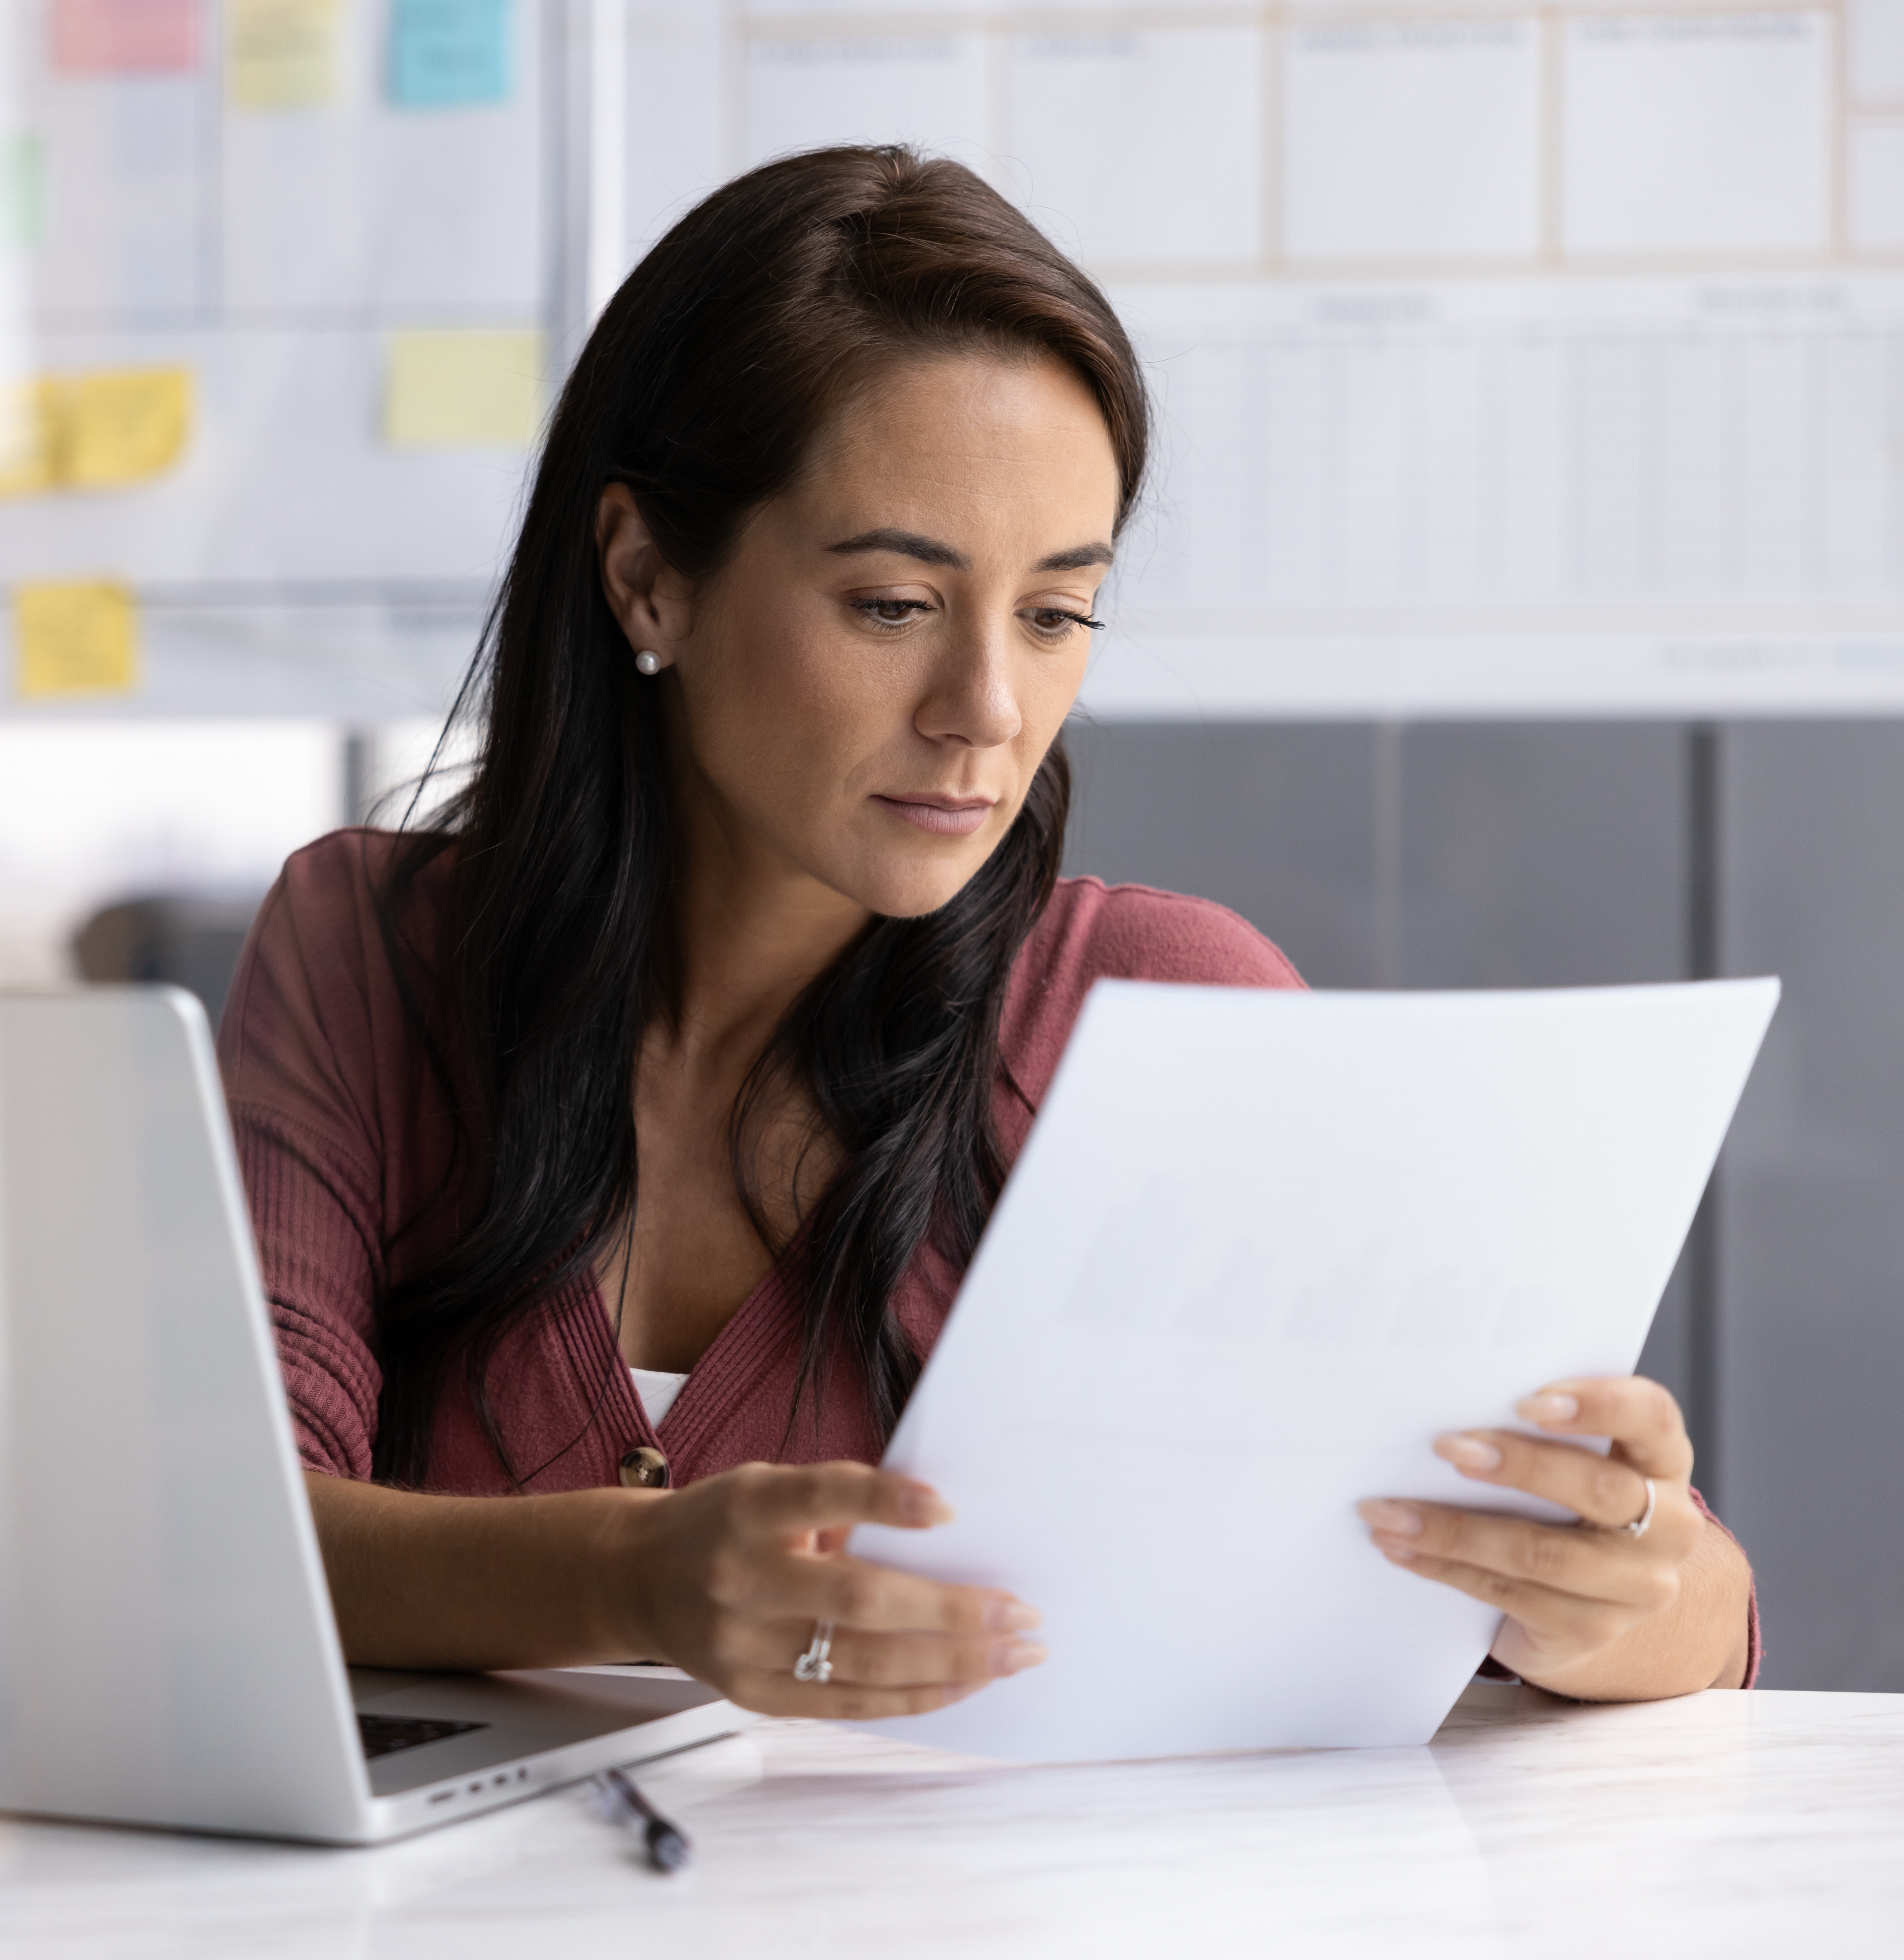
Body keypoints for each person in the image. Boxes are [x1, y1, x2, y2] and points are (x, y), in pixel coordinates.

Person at [218, 147, 1756, 1719]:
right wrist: (628, 1577)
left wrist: (1610, 1584)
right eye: (893, 603)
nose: (986, 714)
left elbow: (1688, 1601)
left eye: (1053, 614)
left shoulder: (1160, 1008)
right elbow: (223, 1539)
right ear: (644, 577)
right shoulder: (370, 950)